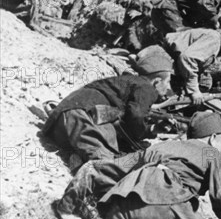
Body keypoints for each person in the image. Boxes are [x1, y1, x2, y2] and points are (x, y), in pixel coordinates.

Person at [53, 111, 221, 219]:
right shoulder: (212, 153)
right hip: (166, 209)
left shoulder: (160, 147)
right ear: (213, 138)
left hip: (120, 211)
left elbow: (97, 169)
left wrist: (66, 207)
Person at [42, 53, 173, 170]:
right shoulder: (146, 87)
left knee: (108, 156)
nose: (168, 88)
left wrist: (152, 129)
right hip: (83, 116)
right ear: (157, 81)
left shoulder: (125, 83)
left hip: (60, 123)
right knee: (107, 167)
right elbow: (136, 117)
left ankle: (77, 160)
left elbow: (126, 121)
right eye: (168, 82)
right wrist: (146, 131)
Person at [161, 11, 221, 104]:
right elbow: (188, 58)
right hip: (160, 63)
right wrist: (194, 91)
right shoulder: (214, 38)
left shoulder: (216, 37)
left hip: (167, 63)